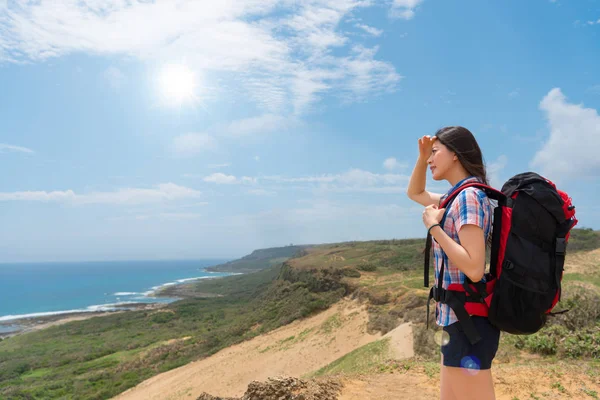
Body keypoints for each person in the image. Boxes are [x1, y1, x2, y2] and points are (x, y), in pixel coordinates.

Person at [406, 126, 499, 400]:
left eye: (435, 153)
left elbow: (473, 267)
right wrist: (421, 157)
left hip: (467, 322)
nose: (431, 160)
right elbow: (415, 192)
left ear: (455, 154)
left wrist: (435, 229)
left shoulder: (468, 198)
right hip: (459, 319)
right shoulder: (456, 196)